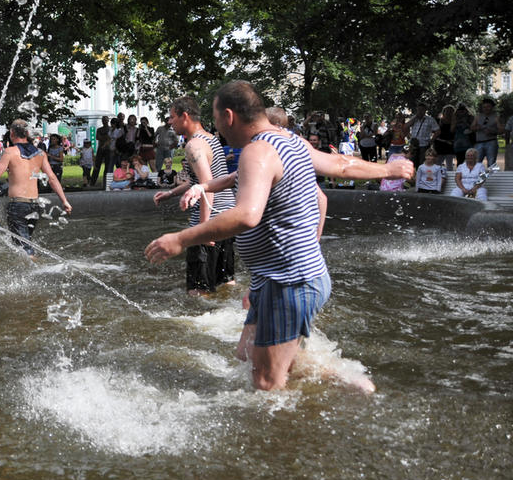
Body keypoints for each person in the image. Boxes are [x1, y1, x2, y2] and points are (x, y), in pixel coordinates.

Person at [145, 81, 415, 392]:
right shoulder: (290, 141)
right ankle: (346, 380)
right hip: (279, 277)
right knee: (246, 355)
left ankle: (296, 428)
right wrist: (387, 170)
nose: (217, 127)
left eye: (217, 119)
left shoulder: (257, 151)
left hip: (289, 280)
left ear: (229, 116)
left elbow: (247, 215)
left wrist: (181, 239)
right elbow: (341, 164)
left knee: (265, 382)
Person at [152, 96, 237, 296]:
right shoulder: (210, 139)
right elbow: (200, 179)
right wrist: (171, 193)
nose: (169, 122)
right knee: (225, 283)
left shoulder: (194, 146)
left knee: (198, 292)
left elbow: (206, 185)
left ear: (185, 116)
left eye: (172, 117)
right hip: (227, 218)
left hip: (210, 221)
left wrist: (203, 229)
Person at [0, 119, 72, 255]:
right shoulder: (40, 153)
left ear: (12, 133)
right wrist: (64, 201)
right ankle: (32, 268)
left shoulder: (10, 152)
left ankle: (39, 271)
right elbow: (52, 178)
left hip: (18, 205)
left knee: (23, 249)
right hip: (34, 205)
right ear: (27, 133)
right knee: (25, 242)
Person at [408, 103, 439, 169]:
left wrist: (432, 140)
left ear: (425, 110)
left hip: (424, 145)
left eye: (422, 110)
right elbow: (405, 126)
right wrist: (409, 136)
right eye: (418, 110)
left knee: (422, 163)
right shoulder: (413, 118)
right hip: (414, 145)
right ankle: (412, 178)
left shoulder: (430, 119)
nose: (420, 111)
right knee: (411, 163)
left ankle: (421, 177)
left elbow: (438, 131)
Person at [471, 98, 500, 168]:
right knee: (476, 163)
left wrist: (493, 131)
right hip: (479, 142)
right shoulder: (478, 116)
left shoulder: (496, 117)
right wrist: (476, 128)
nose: (486, 108)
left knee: (491, 163)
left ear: (492, 107)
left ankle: (491, 178)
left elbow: (502, 130)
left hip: (491, 142)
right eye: (484, 107)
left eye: (488, 106)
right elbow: (471, 128)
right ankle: (476, 178)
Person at [91, 116, 111, 187]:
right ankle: (92, 182)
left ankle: (106, 183)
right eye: (103, 120)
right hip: (100, 148)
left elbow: (110, 138)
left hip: (108, 149)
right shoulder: (99, 129)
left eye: (106, 120)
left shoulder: (110, 129)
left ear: (108, 120)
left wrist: (104, 138)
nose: (104, 121)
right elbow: (97, 137)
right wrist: (106, 137)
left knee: (107, 166)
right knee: (97, 166)